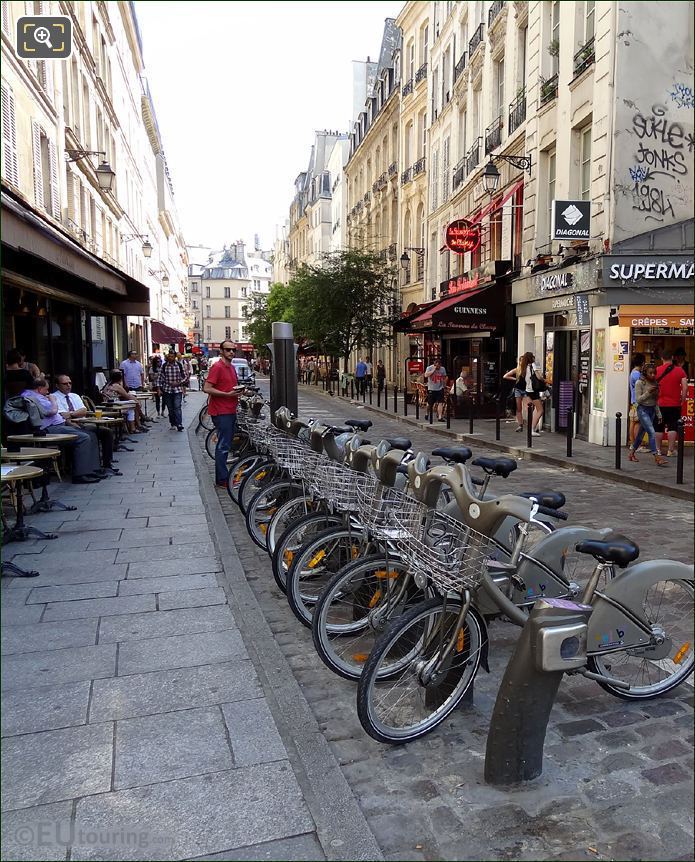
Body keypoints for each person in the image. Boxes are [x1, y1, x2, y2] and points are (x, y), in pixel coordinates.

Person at [21, 377, 106, 484]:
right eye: (46, 390)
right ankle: (81, 474)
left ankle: (93, 469)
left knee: (91, 434)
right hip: (49, 428)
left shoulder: (38, 396)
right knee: (84, 438)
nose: (48, 392)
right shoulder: (32, 397)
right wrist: (52, 400)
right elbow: (51, 411)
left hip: (59, 424)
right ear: (39, 389)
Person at [52, 375, 121, 475]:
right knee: (89, 435)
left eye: (70, 383)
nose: (68, 386)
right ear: (57, 385)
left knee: (106, 432)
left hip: (82, 423)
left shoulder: (74, 396)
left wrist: (71, 413)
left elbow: (83, 411)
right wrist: (74, 415)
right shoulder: (54, 397)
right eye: (65, 384)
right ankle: (92, 468)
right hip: (68, 426)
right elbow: (63, 416)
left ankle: (107, 464)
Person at [203, 339, 240, 487]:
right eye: (228, 349)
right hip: (221, 410)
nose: (231, 352)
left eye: (233, 350)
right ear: (221, 351)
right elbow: (207, 388)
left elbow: (230, 387)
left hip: (230, 409)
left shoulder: (231, 367)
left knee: (226, 443)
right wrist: (227, 395)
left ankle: (224, 477)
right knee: (223, 446)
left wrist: (240, 391)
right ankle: (222, 479)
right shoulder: (217, 367)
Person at [628, 363, 667, 466]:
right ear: (645, 373)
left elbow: (655, 400)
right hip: (643, 410)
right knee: (651, 432)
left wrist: (659, 414)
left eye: (654, 373)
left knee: (641, 434)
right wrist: (648, 392)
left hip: (652, 409)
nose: (653, 375)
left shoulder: (655, 383)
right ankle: (657, 457)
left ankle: (631, 453)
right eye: (651, 373)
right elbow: (638, 400)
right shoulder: (639, 383)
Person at [655, 348, 688, 457]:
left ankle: (658, 450)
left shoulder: (657, 370)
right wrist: (682, 399)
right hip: (674, 404)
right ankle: (671, 450)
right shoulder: (680, 371)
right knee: (673, 427)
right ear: (673, 358)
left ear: (661, 358)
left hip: (659, 404)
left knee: (658, 427)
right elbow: (685, 387)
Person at [155, 350, 189, 431]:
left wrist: (178, 383)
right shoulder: (164, 366)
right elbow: (160, 378)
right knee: (170, 408)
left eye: (172, 356)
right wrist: (159, 389)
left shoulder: (179, 365)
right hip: (167, 390)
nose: (170, 358)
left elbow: (185, 377)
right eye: (169, 356)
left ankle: (179, 424)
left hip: (177, 390)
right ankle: (173, 423)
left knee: (177, 407)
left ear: (175, 357)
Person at [518, 352, 545, 435]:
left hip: (527, 390)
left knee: (533, 409)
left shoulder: (523, 367)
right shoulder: (534, 365)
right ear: (531, 358)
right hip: (534, 390)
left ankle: (533, 427)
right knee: (540, 410)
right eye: (533, 357)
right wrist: (543, 379)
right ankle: (532, 429)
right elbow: (539, 376)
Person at [628, 353, 647, 450]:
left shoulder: (633, 372)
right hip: (638, 401)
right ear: (642, 363)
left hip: (635, 401)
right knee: (637, 423)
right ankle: (637, 445)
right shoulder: (636, 374)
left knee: (634, 422)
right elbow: (644, 384)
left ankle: (633, 443)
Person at [503, 356, 526, 432]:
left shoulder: (527, 370)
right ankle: (520, 425)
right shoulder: (517, 370)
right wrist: (514, 379)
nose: (522, 363)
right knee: (519, 408)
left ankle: (532, 425)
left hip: (526, 390)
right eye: (520, 361)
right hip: (518, 390)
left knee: (528, 408)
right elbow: (505, 376)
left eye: (523, 361)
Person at [424, 357, 448, 421]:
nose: (438, 368)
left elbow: (444, 377)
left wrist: (444, 385)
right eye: (437, 366)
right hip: (432, 388)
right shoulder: (429, 368)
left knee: (440, 402)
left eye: (439, 366)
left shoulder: (442, 369)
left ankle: (440, 417)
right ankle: (427, 413)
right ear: (434, 365)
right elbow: (426, 375)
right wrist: (433, 370)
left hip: (440, 388)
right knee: (430, 403)